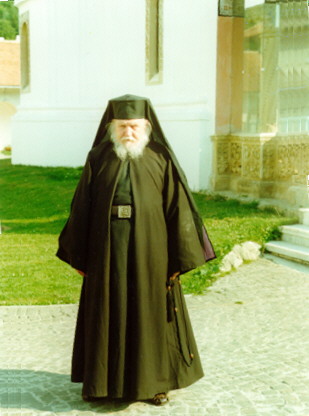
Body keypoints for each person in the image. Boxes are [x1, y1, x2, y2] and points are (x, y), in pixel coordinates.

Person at [56, 94, 215, 406]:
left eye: (134, 126)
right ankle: (99, 383)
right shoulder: (98, 157)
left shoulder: (161, 158)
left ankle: (154, 384)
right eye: (123, 126)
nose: (128, 132)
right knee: (105, 311)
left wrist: (179, 256)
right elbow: (82, 208)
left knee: (150, 313)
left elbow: (178, 209)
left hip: (151, 250)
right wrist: (79, 253)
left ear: (146, 126)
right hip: (105, 249)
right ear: (112, 127)